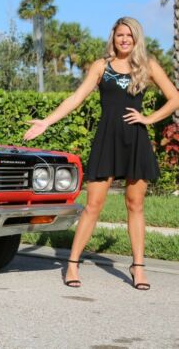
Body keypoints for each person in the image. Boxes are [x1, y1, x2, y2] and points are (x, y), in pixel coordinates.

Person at [23, 17, 179, 290]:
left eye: (129, 35)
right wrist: (46, 121)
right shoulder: (102, 66)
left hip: (135, 141)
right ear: (114, 36)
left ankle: (138, 267)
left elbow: (175, 97)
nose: (124, 40)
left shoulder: (148, 65)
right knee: (93, 205)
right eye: (120, 35)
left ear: (136, 38)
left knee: (135, 205)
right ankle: (72, 263)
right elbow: (76, 97)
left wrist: (149, 119)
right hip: (107, 140)